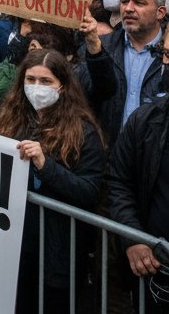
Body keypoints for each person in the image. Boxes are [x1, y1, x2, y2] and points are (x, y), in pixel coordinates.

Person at [0, 50, 105, 314]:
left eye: (45, 81)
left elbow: (90, 191)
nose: (36, 88)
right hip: (16, 246)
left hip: (58, 252)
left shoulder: (83, 131)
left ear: (62, 86)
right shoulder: (11, 119)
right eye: (30, 80)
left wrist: (46, 166)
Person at [108, 22, 169, 313]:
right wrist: (132, 238)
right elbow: (120, 182)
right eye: (166, 55)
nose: (166, 65)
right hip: (155, 269)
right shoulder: (146, 120)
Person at [76, 0, 168, 148]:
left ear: (160, 12)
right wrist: (95, 53)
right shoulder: (99, 48)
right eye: (125, 1)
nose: (128, 8)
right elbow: (83, 96)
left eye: (139, 2)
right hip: (105, 157)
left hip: (154, 161)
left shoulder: (166, 55)